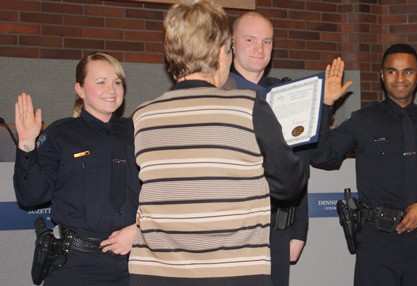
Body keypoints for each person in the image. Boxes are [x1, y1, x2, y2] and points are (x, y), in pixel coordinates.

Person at [128, 1, 306, 285]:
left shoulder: (142, 116)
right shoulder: (249, 107)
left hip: (157, 274)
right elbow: (290, 184)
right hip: (232, 273)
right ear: (222, 52)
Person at [311, 44, 417, 286]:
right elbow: (323, 155)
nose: (400, 78)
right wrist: (326, 104)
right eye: (392, 71)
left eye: (407, 71)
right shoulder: (363, 120)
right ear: (382, 75)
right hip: (376, 240)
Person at [223, 11, 345, 286]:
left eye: (267, 41)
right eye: (251, 39)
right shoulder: (217, 94)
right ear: (232, 42)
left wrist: (323, 105)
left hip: (278, 231)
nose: (259, 48)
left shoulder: (287, 95)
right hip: (231, 234)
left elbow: (301, 163)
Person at [13, 52, 140, 286]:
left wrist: (140, 230)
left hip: (136, 263)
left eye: (117, 82)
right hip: (78, 266)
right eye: (101, 82)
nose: (111, 90)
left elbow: (162, 192)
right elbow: (31, 196)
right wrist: (27, 144)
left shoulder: (139, 131)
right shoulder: (61, 134)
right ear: (80, 90)